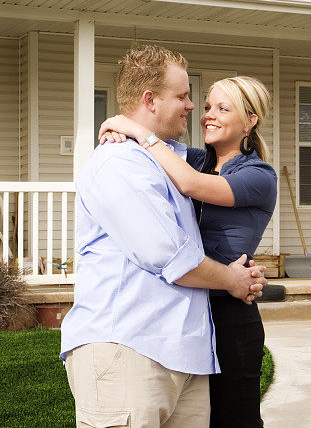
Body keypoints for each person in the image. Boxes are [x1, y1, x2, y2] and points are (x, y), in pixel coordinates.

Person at [60, 45, 268, 428]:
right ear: (150, 100)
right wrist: (232, 279)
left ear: (250, 120)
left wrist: (133, 127)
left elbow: (188, 181)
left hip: (186, 351)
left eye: (220, 107)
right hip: (129, 348)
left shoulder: (241, 171)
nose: (197, 109)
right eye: (186, 97)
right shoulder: (121, 162)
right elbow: (166, 254)